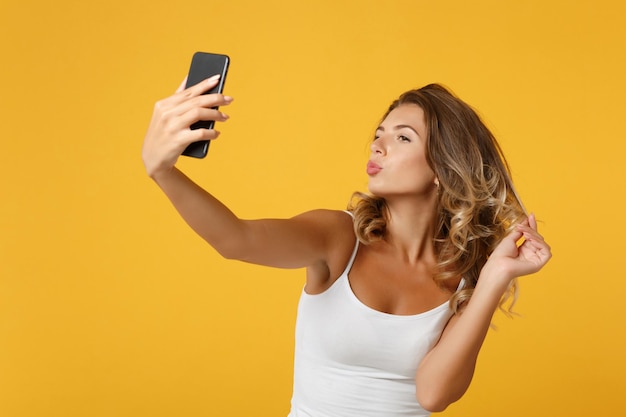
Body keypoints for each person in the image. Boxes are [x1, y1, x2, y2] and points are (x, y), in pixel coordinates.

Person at [142, 75, 551, 417]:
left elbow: (433, 395)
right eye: (379, 134)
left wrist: (495, 276)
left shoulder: (464, 273)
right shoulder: (338, 237)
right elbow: (236, 239)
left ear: (442, 170)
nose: (377, 145)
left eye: (402, 138)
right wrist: (163, 171)